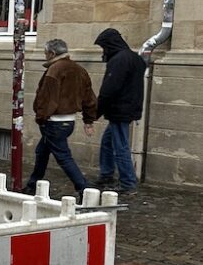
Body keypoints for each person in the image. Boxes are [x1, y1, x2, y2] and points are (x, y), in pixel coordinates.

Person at [23, 39, 97, 196]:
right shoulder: (79, 70)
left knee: (63, 157)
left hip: (54, 122)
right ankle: (32, 184)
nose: (45, 57)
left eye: (45, 54)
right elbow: (89, 97)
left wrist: (41, 118)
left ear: (52, 53)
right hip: (68, 122)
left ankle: (84, 189)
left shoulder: (54, 71)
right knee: (41, 151)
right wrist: (88, 120)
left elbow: (46, 98)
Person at [94, 28, 146, 194]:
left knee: (120, 147)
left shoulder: (119, 60)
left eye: (104, 47)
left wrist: (96, 111)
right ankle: (107, 174)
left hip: (119, 110)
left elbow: (109, 89)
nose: (103, 52)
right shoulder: (135, 58)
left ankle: (128, 183)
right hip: (128, 108)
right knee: (108, 142)